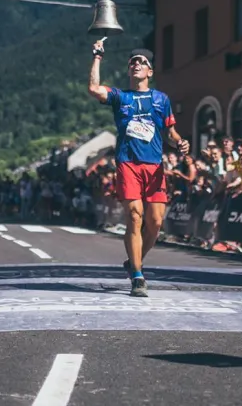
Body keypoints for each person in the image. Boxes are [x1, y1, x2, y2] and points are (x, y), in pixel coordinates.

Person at [88, 42, 189, 298]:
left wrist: (179, 142)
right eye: (133, 61)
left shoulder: (160, 99)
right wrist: (98, 56)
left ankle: (134, 262)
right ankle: (137, 275)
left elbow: (170, 131)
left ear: (150, 71)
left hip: (154, 165)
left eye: (141, 62)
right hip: (127, 163)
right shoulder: (121, 97)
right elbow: (93, 88)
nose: (136, 64)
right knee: (135, 216)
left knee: (155, 223)